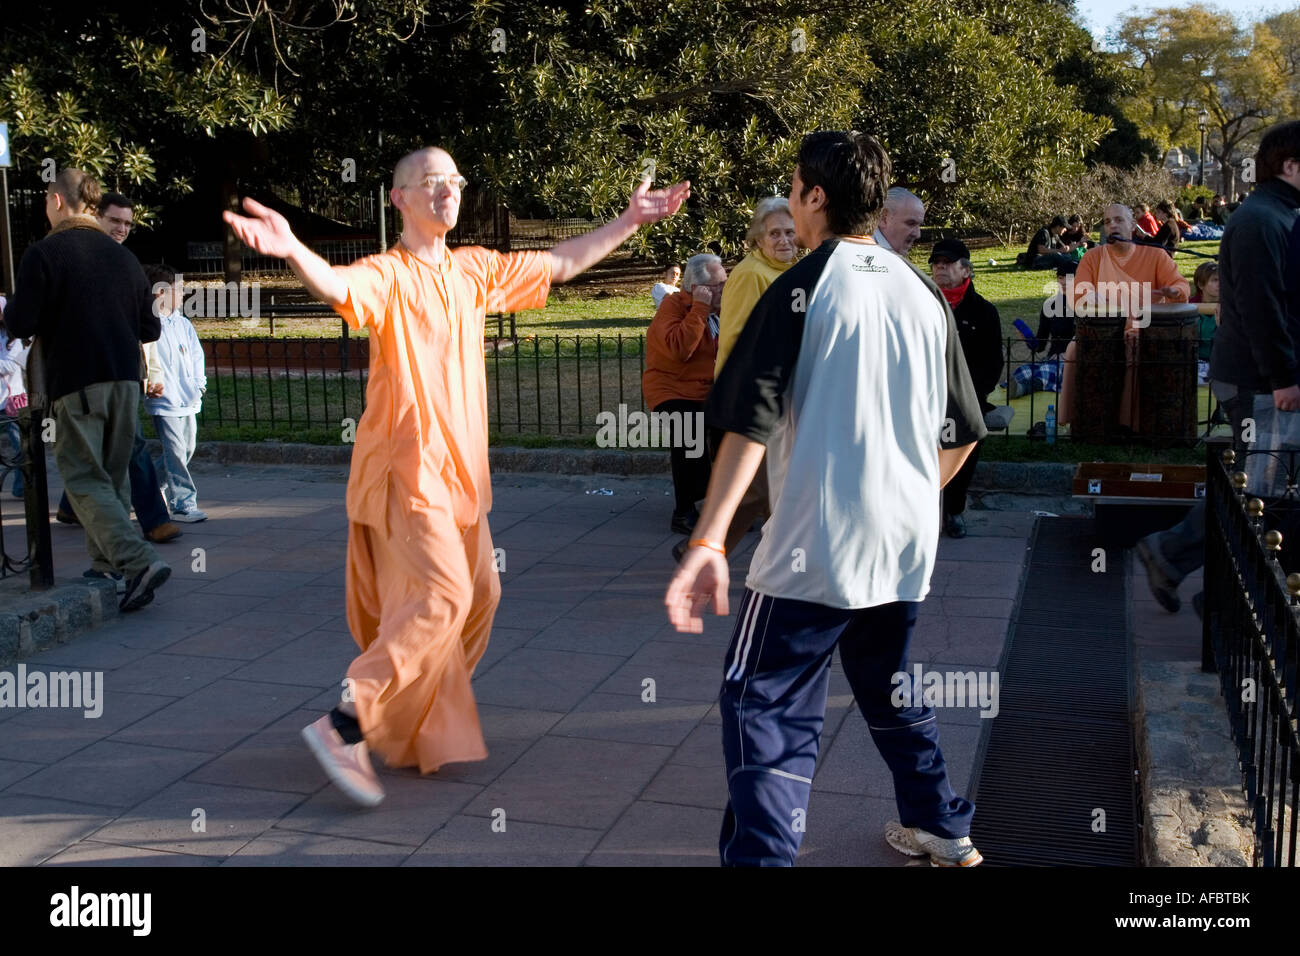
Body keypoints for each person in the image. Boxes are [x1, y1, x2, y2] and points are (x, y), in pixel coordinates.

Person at [224, 146, 689, 806]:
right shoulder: (387, 274)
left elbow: (557, 264)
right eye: (431, 182)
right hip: (406, 473)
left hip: (461, 480)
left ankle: (402, 721)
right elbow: (336, 286)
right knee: (441, 596)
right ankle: (345, 723)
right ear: (400, 199)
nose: (447, 191)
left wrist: (628, 222)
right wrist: (293, 248)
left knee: (479, 599)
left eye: (455, 181)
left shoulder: (473, 270)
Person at [665, 130, 987, 867]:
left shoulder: (803, 288)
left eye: (795, 188)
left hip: (814, 547)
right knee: (887, 682)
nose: (792, 203)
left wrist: (710, 541)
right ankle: (939, 820)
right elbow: (967, 429)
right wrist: (910, 496)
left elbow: (748, 422)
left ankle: (765, 859)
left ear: (814, 196)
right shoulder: (922, 294)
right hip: (905, 545)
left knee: (764, 703)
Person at [1139, 121, 1299, 616]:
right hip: (1261, 382)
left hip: (1263, 379)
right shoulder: (1261, 220)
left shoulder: (1277, 215)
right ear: (1291, 166)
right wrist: (1284, 380)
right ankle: (1194, 573)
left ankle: (1218, 591)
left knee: (1264, 493)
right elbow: (1260, 307)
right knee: (1264, 494)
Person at [4, 169, 171, 610]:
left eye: (45, 200)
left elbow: (21, 322)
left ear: (58, 201)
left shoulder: (45, 252)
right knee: (111, 477)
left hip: (76, 381)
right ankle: (106, 566)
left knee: (81, 477)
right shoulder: (124, 258)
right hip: (125, 382)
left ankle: (137, 561)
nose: (44, 207)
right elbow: (150, 326)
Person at [674, 196, 798, 563]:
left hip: (779, 393)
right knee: (758, 489)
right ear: (758, 238)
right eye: (774, 233)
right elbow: (738, 338)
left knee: (766, 487)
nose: (783, 241)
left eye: (790, 232)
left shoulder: (785, 270)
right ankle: (701, 550)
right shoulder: (750, 274)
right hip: (756, 396)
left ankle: (712, 550)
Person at [54, 191, 181, 546]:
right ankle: (151, 523)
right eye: (116, 221)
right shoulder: (79, 258)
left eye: (128, 223)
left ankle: (72, 507)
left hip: (117, 372)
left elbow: (149, 328)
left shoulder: (123, 263)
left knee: (107, 446)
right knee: (126, 445)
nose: (123, 229)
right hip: (87, 372)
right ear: (96, 216)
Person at [1057, 203, 1190, 431]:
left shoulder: (1155, 255)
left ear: (1133, 226)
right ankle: (1085, 420)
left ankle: (1130, 424)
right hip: (1101, 330)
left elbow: (1181, 286)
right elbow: (1079, 293)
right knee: (1073, 349)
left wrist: (1173, 292)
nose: (1112, 226)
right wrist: (1098, 298)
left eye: (1119, 220)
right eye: (1108, 222)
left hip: (1142, 329)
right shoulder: (1092, 257)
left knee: (1135, 347)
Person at [644, 253, 724, 535]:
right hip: (671, 387)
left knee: (730, 432)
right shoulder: (673, 306)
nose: (724, 291)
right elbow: (680, 349)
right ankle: (685, 510)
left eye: (724, 283)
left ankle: (720, 506)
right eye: (717, 286)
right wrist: (700, 309)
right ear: (696, 289)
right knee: (688, 430)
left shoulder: (722, 309)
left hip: (705, 389)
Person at [930, 239, 1002, 538]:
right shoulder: (922, 303)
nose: (940, 269)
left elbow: (993, 362)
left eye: (948, 263)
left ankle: (954, 510)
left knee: (965, 449)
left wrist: (970, 397)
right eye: (936, 263)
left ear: (966, 269)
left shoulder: (984, 311)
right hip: (925, 397)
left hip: (967, 399)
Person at [142, 264, 208, 523]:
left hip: (188, 397)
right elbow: (146, 358)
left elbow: (195, 354)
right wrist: (149, 383)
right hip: (163, 400)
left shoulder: (182, 323)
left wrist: (198, 383)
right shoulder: (148, 325)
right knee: (175, 451)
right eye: (178, 289)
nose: (182, 293)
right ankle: (183, 503)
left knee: (186, 449)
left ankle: (149, 486)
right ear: (160, 292)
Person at [1008, 265, 1075, 399]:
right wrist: (1028, 339)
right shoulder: (1050, 306)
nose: (1063, 282)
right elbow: (1040, 346)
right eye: (1060, 278)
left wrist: (1068, 354)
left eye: (1068, 278)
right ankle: (1018, 388)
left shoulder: (1086, 306)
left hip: (1074, 362)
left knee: (1047, 373)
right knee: (1022, 371)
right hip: (1052, 360)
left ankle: (1023, 389)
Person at [0, 297, 27, 499]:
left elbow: (12, 365)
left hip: (10, 399)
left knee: (20, 447)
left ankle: (21, 487)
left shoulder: (14, 339)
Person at [1189, 261, 1220, 384]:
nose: (1220, 284)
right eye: (1214, 280)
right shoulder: (1189, 307)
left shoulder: (1231, 307)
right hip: (1195, 362)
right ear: (1201, 285)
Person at [872, 186, 925, 255]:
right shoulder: (868, 254)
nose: (918, 235)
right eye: (911, 223)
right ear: (884, 218)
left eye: (919, 225)